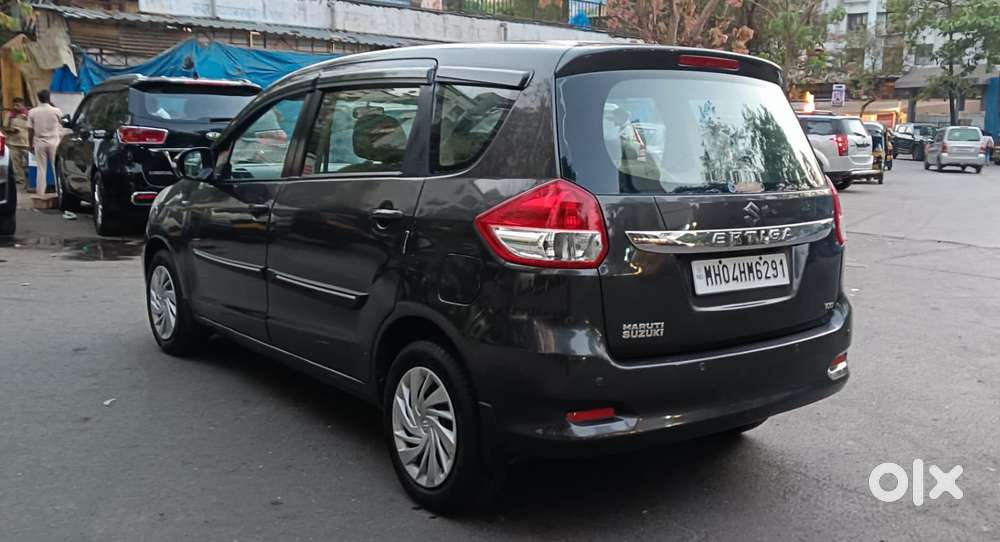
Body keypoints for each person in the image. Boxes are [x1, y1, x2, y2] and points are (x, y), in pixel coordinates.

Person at [27, 89, 63, 196]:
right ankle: (59, 191)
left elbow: (30, 130)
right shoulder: (57, 111)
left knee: (41, 169)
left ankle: (40, 193)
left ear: (38, 98)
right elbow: (62, 124)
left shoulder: (32, 112)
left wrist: (30, 144)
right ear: (49, 97)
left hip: (39, 142)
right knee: (55, 167)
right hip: (54, 141)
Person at [3, 97, 30, 191]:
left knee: (30, 163)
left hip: (26, 144)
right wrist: (11, 130)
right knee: (16, 164)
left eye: (18, 105)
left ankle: (31, 181)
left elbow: (33, 128)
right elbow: (4, 128)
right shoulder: (10, 115)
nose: (16, 107)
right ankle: (21, 181)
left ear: (22, 105)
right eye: (14, 105)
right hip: (13, 143)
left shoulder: (28, 115)